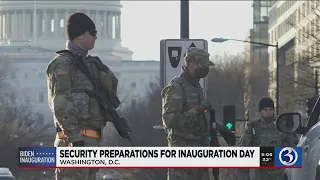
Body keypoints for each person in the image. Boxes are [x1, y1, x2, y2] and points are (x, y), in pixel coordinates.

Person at [46, 12, 119, 180]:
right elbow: (60, 104)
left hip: (91, 144)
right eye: (92, 33)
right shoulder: (63, 64)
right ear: (80, 35)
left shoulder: (92, 65)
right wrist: (76, 141)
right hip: (73, 144)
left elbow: (109, 95)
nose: (95, 37)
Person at [161, 47, 214, 180]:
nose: (205, 69)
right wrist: (197, 110)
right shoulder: (176, 87)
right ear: (192, 64)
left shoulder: (197, 87)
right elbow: (169, 121)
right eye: (202, 66)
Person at [239, 97, 298, 180]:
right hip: (259, 173)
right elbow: (244, 147)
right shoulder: (253, 126)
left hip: (279, 172)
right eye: (265, 110)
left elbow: (294, 145)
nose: (268, 112)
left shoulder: (280, 125)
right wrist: (248, 132)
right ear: (261, 111)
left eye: (270, 109)